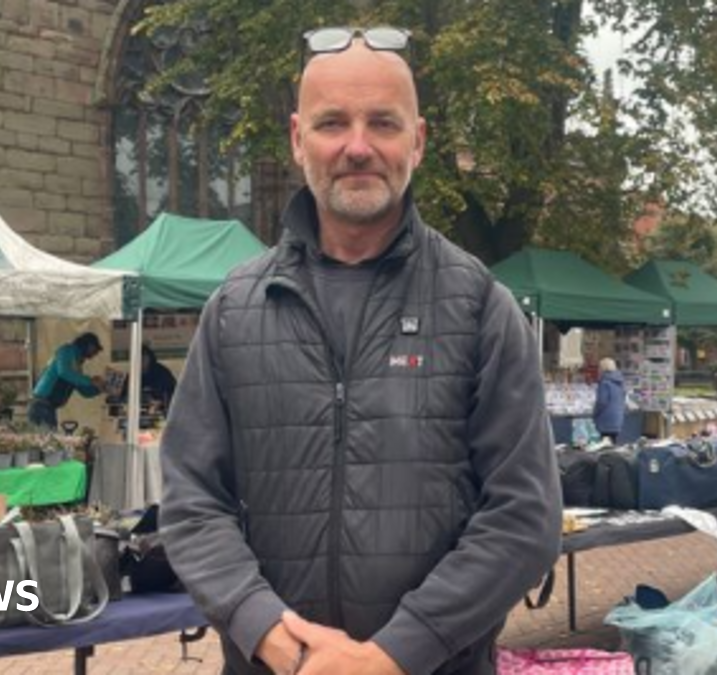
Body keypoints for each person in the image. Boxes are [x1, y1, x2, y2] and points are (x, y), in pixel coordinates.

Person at [159, 28, 561, 675]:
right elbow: (190, 498)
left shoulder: (480, 305)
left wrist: (395, 653)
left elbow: (525, 514)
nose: (357, 146)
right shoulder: (234, 309)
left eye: (382, 122)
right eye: (331, 123)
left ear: (419, 141)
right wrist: (269, 633)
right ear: (297, 139)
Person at [26, 332, 104, 428]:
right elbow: (64, 372)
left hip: (46, 406)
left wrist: (100, 388)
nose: (94, 354)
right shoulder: (66, 350)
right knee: (48, 441)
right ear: (88, 345)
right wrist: (91, 381)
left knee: (45, 440)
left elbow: (84, 391)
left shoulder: (76, 362)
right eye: (94, 349)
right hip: (41, 404)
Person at [593, 357, 626, 444]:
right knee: (612, 443)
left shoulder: (604, 383)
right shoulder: (620, 382)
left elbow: (601, 402)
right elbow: (623, 398)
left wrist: (595, 413)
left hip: (606, 420)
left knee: (604, 445)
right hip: (617, 419)